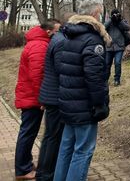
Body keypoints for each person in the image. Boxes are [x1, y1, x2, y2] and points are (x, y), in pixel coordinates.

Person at [53, 0, 110, 181]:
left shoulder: (69, 36)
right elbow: (94, 77)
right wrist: (99, 104)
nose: (101, 17)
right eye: (100, 13)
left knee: (66, 148)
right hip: (84, 106)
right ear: (94, 15)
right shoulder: (92, 39)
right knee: (83, 151)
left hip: (68, 102)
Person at [14, 19, 61, 181]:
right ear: (49, 31)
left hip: (29, 95)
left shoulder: (38, 42)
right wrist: (43, 99)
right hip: (32, 98)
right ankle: (22, 170)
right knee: (28, 132)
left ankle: (25, 164)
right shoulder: (40, 46)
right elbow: (38, 75)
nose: (59, 33)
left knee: (28, 132)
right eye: (57, 30)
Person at [36, 16, 69, 181]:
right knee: (53, 137)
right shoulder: (61, 41)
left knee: (50, 136)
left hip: (50, 95)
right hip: (55, 96)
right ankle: (47, 174)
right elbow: (60, 70)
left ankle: (43, 172)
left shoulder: (56, 39)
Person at [104, 9, 130, 86]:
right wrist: (111, 19)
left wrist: (119, 20)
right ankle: (105, 80)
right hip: (109, 46)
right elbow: (103, 27)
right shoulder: (109, 21)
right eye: (114, 14)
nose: (116, 16)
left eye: (117, 14)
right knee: (107, 64)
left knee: (117, 63)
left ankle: (117, 80)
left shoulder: (122, 21)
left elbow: (128, 28)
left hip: (119, 46)